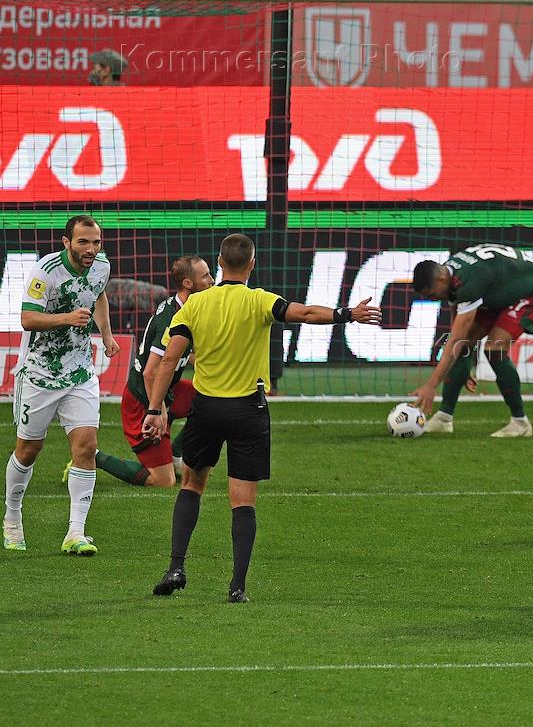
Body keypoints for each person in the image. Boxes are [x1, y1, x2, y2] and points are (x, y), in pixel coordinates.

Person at [145, 233, 381, 602]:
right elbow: (305, 313)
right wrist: (348, 314)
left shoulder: (195, 304)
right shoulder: (259, 301)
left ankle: (176, 567)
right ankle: (237, 586)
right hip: (247, 411)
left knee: (191, 485)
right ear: (252, 264)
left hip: (206, 409)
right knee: (243, 500)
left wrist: (154, 408)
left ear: (219, 263)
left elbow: (169, 360)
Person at [4, 215, 119, 555]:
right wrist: (67, 318)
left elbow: (99, 296)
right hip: (39, 374)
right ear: (67, 242)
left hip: (80, 373)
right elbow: (27, 319)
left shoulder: (101, 267)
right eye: (83, 242)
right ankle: (12, 516)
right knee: (28, 450)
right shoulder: (46, 271)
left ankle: (76, 533)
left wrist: (107, 335)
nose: (91, 249)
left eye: (96, 242)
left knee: (85, 447)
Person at [92, 256, 215, 488]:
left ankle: (176, 454)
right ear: (188, 283)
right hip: (143, 400)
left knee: (215, 401)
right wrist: (157, 410)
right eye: (206, 275)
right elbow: (151, 372)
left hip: (168, 389)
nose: (212, 280)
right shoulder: (172, 319)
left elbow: (178, 354)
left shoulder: (189, 308)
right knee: (164, 481)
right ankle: (92, 456)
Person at [410, 243, 533, 438]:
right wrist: (462, 367)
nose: (434, 299)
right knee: (463, 347)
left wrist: (430, 386)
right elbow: (457, 325)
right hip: (499, 289)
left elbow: (455, 339)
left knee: (494, 349)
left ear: (441, 279)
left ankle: (520, 423)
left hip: (530, 288)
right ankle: (443, 419)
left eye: (432, 294)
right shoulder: (450, 276)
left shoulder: (469, 279)